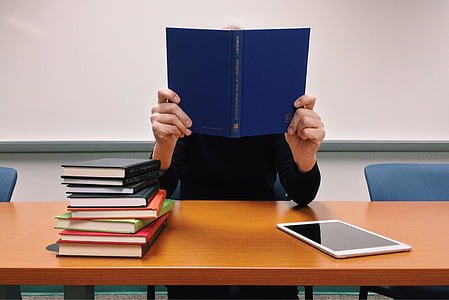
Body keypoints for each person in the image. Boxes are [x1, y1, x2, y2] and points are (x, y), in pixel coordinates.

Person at [150, 88, 325, 299]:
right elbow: (159, 191)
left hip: (263, 235)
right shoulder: (190, 103)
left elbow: (302, 195)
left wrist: (305, 157)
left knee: (274, 288)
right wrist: (163, 147)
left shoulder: (272, 105)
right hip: (196, 236)